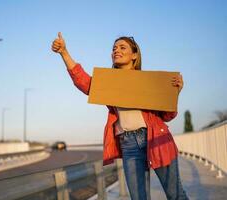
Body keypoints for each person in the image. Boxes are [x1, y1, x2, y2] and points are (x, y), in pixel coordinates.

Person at [51, 32, 189, 200]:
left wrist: (174, 94)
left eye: (122, 47)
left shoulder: (150, 82)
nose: (116, 50)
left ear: (134, 55)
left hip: (156, 139)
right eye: (114, 48)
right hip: (129, 144)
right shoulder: (108, 83)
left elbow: (167, 115)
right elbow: (83, 81)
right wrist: (64, 52)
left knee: (176, 195)